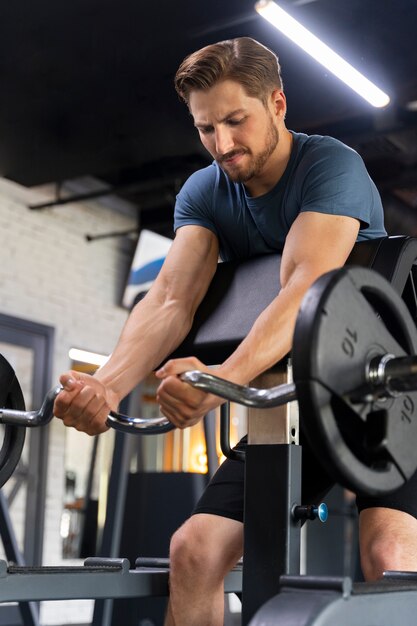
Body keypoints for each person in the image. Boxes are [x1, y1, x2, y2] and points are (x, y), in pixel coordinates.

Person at [54, 37, 417, 626]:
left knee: (389, 558)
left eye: (234, 120)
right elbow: (172, 298)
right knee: (192, 552)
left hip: (392, 400)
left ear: (277, 103)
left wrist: (220, 380)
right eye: (205, 129)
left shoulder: (330, 165)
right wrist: (109, 386)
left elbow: (305, 289)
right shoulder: (205, 191)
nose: (222, 144)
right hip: (297, 403)